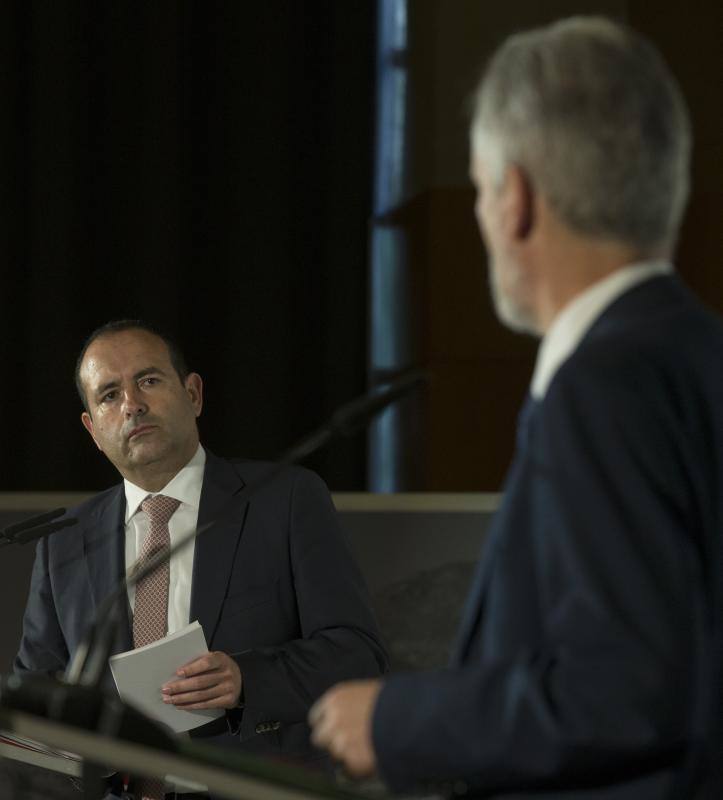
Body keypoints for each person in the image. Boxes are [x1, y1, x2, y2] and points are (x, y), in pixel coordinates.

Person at [309, 16, 723, 799]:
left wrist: (394, 721)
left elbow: (624, 690)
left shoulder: (600, 388)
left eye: (478, 185)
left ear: (516, 198)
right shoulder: (698, 356)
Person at [15, 319, 388, 794]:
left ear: (193, 394)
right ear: (92, 428)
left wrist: (246, 677)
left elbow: (358, 653)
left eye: (148, 380)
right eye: (109, 395)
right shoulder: (65, 542)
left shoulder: (284, 500)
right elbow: (36, 692)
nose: (132, 404)